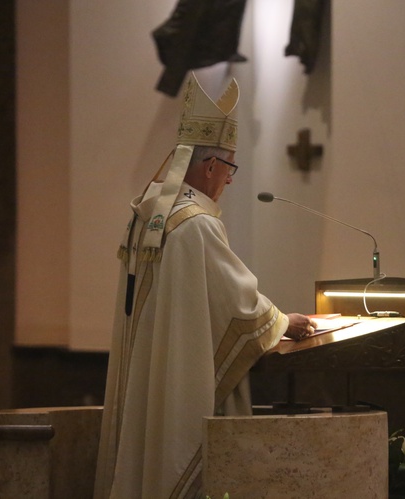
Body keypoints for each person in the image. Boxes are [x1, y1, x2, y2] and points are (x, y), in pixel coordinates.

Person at [93, 73, 315, 499]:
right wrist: (284, 321)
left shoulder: (149, 214)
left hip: (144, 370)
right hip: (175, 380)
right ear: (211, 165)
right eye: (230, 166)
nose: (230, 179)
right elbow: (236, 301)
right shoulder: (195, 224)